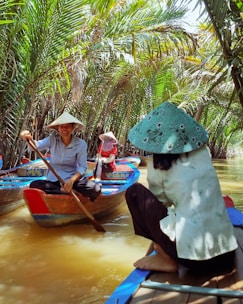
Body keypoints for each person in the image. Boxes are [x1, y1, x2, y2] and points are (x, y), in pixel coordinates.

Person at [125, 101, 238, 274]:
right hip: (225, 256)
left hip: (193, 261)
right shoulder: (204, 153)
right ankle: (166, 253)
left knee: (134, 193)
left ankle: (165, 258)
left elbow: (160, 204)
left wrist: (158, 242)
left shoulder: (157, 164)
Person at [20, 112, 101, 202]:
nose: (64, 129)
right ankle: (62, 191)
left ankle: (68, 191)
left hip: (72, 180)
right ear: (58, 128)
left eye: (67, 126)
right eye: (61, 126)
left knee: (95, 189)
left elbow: (83, 167)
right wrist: (29, 138)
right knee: (34, 185)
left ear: (73, 127)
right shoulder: (52, 139)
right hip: (54, 181)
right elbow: (34, 147)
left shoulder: (80, 144)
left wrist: (71, 181)